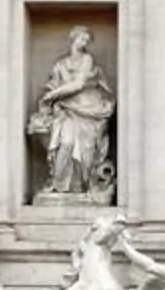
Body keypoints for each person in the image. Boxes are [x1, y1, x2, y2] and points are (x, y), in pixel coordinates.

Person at [28, 29, 116, 200]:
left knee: (84, 149)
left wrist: (52, 96)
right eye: (82, 38)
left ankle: (79, 186)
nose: (85, 42)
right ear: (73, 39)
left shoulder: (87, 60)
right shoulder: (60, 65)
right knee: (66, 143)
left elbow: (79, 84)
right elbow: (52, 85)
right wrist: (50, 98)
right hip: (66, 110)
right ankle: (59, 185)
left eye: (87, 39)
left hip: (88, 109)